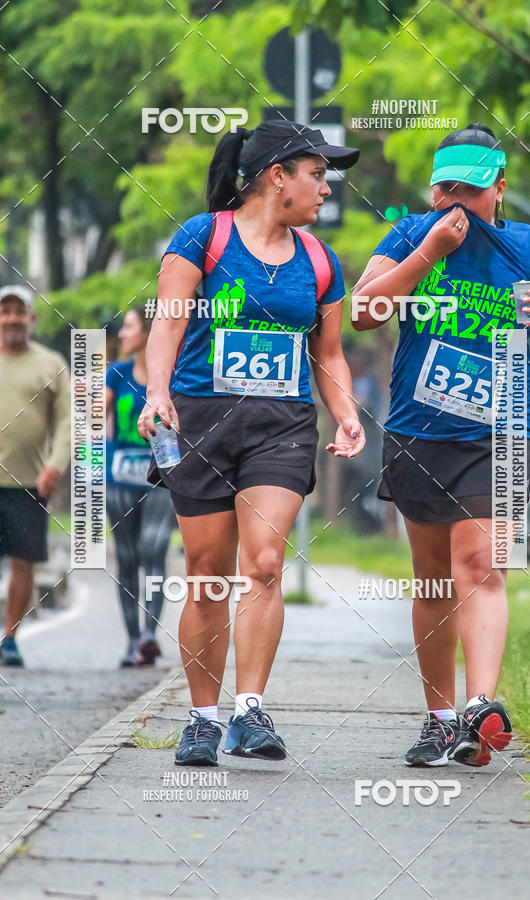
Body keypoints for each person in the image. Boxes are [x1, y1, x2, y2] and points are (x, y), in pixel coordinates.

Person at [353, 124, 530, 767]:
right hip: (419, 432)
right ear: (433, 190)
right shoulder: (410, 234)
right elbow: (364, 311)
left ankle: (480, 708)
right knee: (433, 582)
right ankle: (439, 718)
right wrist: (428, 252)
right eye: (447, 188)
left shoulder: (529, 246)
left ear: (500, 189)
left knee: (484, 564)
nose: (456, 201)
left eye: (472, 189)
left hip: (504, 433)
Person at [138, 120, 365, 766]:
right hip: (199, 420)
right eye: (317, 175)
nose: (326, 188)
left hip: (281, 426)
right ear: (277, 176)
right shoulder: (202, 238)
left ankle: (249, 710)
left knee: (264, 563)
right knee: (206, 570)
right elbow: (167, 327)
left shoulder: (319, 261)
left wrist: (346, 413)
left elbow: (328, 355)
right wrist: (157, 393)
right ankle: (202, 720)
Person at [0, 285, 70, 667]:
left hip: (29, 481)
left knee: (24, 562)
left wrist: (55, 464)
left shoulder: (50, 364)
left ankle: (10, 638)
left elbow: (68, 421)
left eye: (19, 312)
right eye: (5, 311)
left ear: (31, 318)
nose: (12, 319)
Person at [106, 307, 177, 666]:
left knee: (154, 547)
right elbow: (92, 417)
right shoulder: (116, 374)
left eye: (129, 327)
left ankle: (150, 634)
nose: (122, 334)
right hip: (121, 476)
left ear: (149, 331)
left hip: (161, 475)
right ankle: (133, 639)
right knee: (128, 556)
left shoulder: (174, 374)